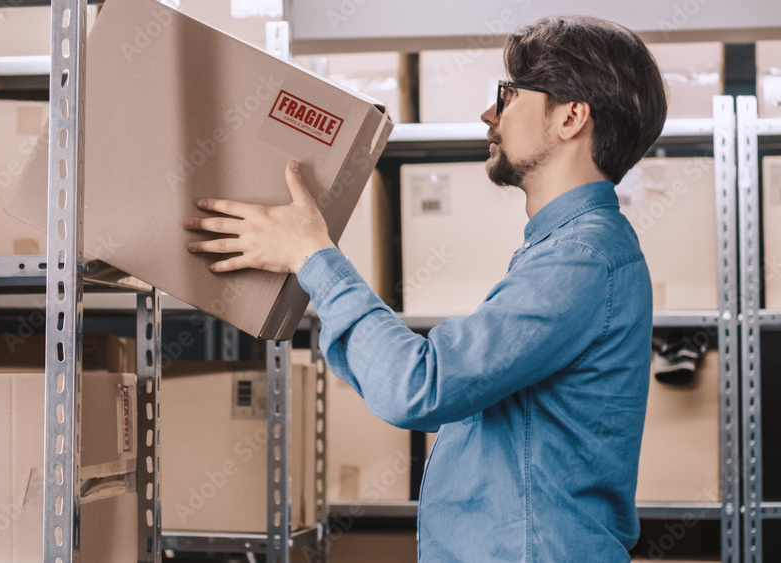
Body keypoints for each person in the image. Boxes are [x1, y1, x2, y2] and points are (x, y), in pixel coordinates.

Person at [183, 15, 668, 562]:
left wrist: (313, 256)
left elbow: (420, 386)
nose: (489, 114)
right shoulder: (567, 250)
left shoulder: (582, 259)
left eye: (507, 95)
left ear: (571, 117)